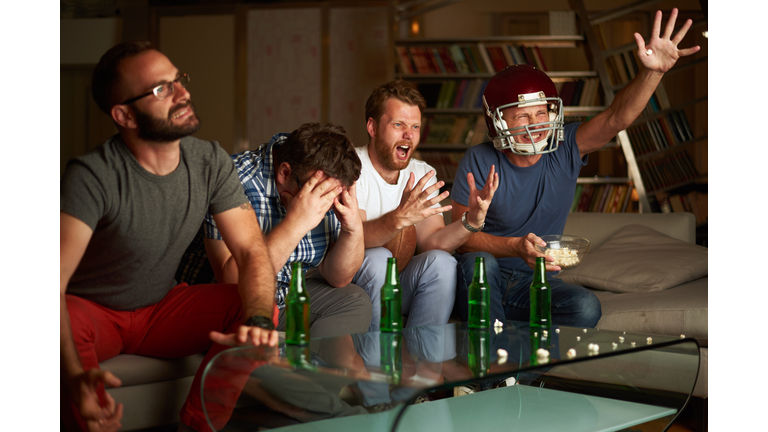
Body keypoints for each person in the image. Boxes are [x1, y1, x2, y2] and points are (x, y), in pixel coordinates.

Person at [60, 41, 278, 432]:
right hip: (95, 313)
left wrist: (259, 321)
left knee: (260, 309)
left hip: (162, 307)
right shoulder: (92, 176)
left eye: (179, 80)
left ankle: (197, 427)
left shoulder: (210, 161)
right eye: (162, 89)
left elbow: (250, 251)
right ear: (124, 115)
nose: (184, 94)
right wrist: (74, 374)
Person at [451, 9, 701, 328]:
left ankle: (494, 320)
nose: (536, 125)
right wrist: (513, 246)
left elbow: (616, 118)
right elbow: (460, 238)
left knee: (585, 308)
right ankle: (491, 373)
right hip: (486, 273)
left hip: (535, 280)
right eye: (523, 116)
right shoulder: (479, 158)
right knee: (481, 264)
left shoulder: (567, 147)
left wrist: (653, 73)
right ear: (498, 121)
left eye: (541, 113)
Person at [200, 122, 372, 338]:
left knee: (354, 299)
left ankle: (321, 369)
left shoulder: (327, 181)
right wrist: (296, 223)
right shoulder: (235, 179)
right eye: (321, 194)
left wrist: (353, 229)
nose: (327, 203)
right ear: (284, 172)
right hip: (237, 301)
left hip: (289, 295)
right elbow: (232, 280)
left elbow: (339, 278)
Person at [354, 80, 499, 331]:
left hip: (402, 282)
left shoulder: (423, 172)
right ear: (373, 127)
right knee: (379, 259)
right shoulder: (352, 167)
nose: (408, 135)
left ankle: (422, 364)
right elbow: (354, 238)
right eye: (398, 125)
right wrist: (399, 217)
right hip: (356, 283)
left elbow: (432, 242)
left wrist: (471, 222)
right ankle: (377, 362)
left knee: (443, 262)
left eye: (415, 127)